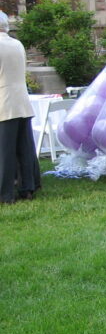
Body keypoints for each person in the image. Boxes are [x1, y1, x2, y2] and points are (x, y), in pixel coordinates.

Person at [0, 11, 41, 204]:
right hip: (21, 100)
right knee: (24, 147)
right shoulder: (17, 44)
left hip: (4, 102)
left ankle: (5, 193)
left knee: (5, 150)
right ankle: (28, 187)